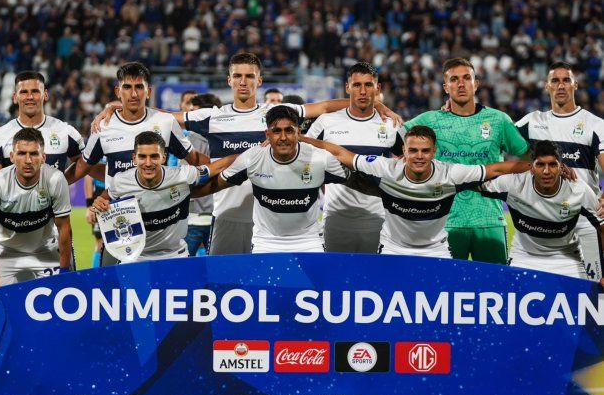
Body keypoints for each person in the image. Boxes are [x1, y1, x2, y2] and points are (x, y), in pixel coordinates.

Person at [93, 53, 401, 255]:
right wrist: (117, 108)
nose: (243, 82)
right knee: (224, 287)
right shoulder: (213, 117)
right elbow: (161, 117)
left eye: (249, 76)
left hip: (270, 221)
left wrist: (376, 105)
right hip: (228, 216)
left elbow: (325, 106)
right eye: (238, 76)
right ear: (229, 80)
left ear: (259, 81)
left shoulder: (277, 114)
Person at [300, 126, 531, 257]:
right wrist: (299, 139)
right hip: (393, 250)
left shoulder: (451, 173)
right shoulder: (386, 169)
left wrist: (537, 169)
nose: (419, 156)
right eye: (413, 151)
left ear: (434, 152)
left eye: (425, 151)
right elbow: (341, 154)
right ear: (404, 150)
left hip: (436, 251)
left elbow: (496, 168)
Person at [68, 62, 209, 265]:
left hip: (162, 224)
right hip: (120, 223)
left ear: (148, 91)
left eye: (139, 87)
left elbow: (195, 161)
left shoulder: (165, 123)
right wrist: (53, 183)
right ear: (118, 91)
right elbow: (83, 168)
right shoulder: (104, 128)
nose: (133, 94)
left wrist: (223, 167)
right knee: (115, 283)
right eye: (127, 87)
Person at [402, 58, 529, 264]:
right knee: (444, 284)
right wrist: (382, 108)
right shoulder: (430, 120)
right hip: (444, 223)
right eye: (454, 79)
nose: (461, 84)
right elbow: (392, 141)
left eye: (466, 78)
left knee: (493, 283)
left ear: (476, 84)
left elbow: (527, 155)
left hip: (490, 221)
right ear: (445, 87)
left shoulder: (499, 120)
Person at [193, 106, 349, 253]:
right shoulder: (252, 158)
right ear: (267, 134)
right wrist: (185, 194)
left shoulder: (319, 158)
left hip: (309, 242)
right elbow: (215, 186)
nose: (283, 137)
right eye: (276, 131)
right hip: (266, 243)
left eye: (289, 130)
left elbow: (354, 181)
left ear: (298, 133)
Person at [516, 61, 604, 281]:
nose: (561, 85)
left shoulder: (595, 125)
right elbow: (498, 138)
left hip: (584, 220)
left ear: (575, 85)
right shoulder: (532, 122)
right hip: (545, 220)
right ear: (547, 86)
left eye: (566, 80)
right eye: (555, 81)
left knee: (595, 284)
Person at [90, 131, 235, 262]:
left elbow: (218, 166)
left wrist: (247, 155)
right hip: (135, 258)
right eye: (142, 157)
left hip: (175, 256)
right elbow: (106, 196)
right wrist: (100, 201)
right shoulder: (121, 181)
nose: (148, 163)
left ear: (163, 157)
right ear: (134, 158)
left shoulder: (181, 176)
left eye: (154, 156)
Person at [306, 62, 402, 253]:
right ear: (347, 87)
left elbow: (410, 161)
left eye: (368, 85)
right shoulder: (326, 122)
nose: (363, 91)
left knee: (375, 272)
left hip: (378, 218)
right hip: (336, 218)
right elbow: (303, 156)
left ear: (377, 88)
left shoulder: (391, 124)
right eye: (357, 85)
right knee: (336, 273)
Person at [478, 140, 604, 280]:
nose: (546, 171)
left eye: (552, 165)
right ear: (531, 167)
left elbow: (602, 227)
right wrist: (517, 167)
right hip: (523, 259)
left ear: (561, 167)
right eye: (540, 165)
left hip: (567, 261)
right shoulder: (513, 185)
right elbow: (473, 179)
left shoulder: (579, 190)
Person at [0, 128, 72, 287]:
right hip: (6, 252)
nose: (28, 160)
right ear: (12, 157)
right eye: (22, 153)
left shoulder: (55, 179)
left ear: (43, 158)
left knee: (59, 295)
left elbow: (64, 228)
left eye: (34, 154)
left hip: (44, 251)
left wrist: (64, 272)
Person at [0, 71, 85, 173]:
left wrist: (61, 180)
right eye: (24, 92)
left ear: (45, 94)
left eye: (35, 91)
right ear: (15, 97)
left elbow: (86, 164)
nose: (30, 97)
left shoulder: (65, 131)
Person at [168, 92, 223, 256]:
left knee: (184, 267)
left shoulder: (189, 140)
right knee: (219, 267)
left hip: (195, 217)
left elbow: (187, 178)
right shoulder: (226, 138)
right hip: (215, 215)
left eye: (193, 113)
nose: (190, 118)